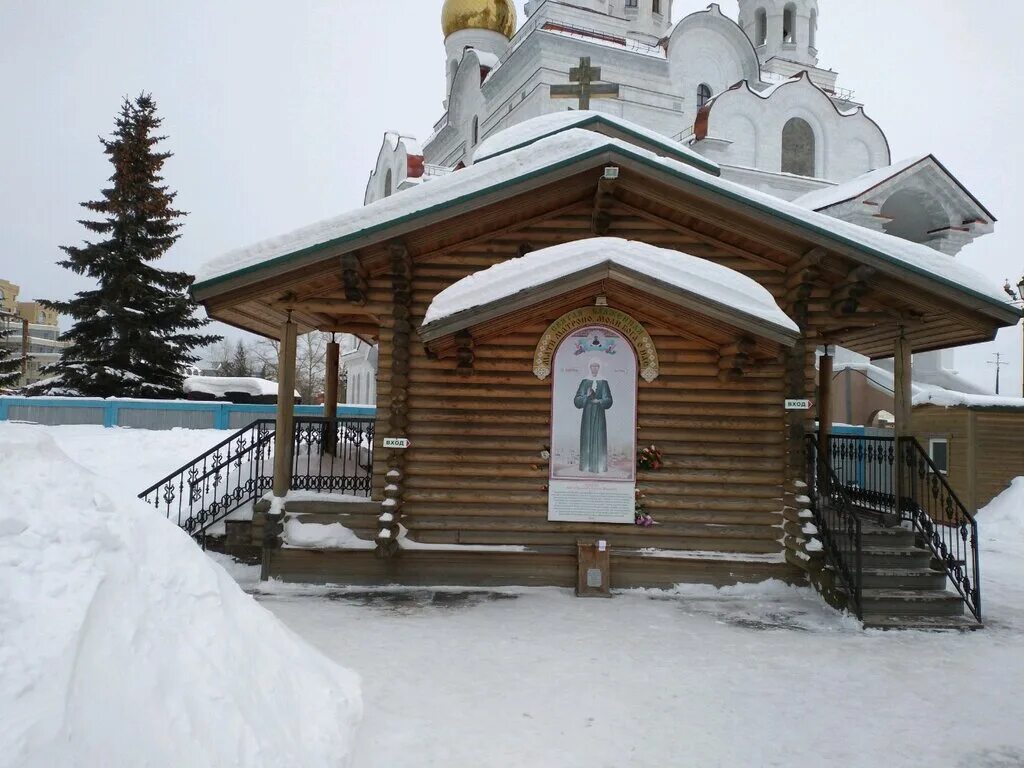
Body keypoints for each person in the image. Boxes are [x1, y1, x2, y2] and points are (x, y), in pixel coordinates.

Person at [574, 358, 613, 473]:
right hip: (587, 414)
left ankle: (599, 467)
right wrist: (586, 396)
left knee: (598, 438)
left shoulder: (604, 382)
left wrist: (600, 401)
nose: (594, 368)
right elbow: (577, 401)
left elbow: (609, 400)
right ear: (589, 367)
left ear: (599, 368)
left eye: (597, 366)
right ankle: (586, 466)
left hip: (599, 415)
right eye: (592, 366)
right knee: (587, 437)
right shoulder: (585, 382)